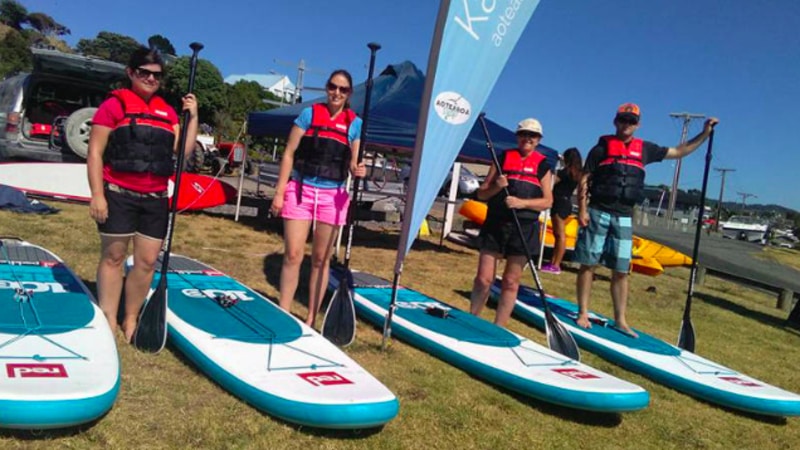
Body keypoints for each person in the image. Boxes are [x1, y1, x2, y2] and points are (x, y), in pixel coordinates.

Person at [574, 103, 718, 337]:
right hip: (599, 210)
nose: (626, 124)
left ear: (638, 124)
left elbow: (679, 151)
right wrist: (582, 210)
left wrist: (704, 134)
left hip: (624, 216)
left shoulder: (646, 150)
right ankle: (583, 312)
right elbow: (584, 179)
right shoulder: (600, 149)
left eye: (631, 121)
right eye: (622, 119)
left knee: (622, 269)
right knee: (588, 263)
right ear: (615, 121)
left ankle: (621, 320)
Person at [87, 47, 199, 342]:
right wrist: (97, 194)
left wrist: (194, 116)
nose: (151, 78)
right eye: (144, 73)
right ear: (131, 73)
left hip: (155, 198)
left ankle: (131, 316)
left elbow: (183, 150)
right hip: (118, 193)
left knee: (147, 262)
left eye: (156, 75)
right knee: (114, 256)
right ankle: (109, 315)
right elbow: (95, 153)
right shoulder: (113, 106)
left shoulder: (168, 111)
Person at [270, 69, 366, 328]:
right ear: (326, 88)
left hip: (332, 196)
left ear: (349, 94)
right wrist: (279, 192)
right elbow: (289, 153)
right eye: (333, 87)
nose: (337, 93)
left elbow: (354, 163)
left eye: (343, 90)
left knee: (321, 260)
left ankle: (312, 318)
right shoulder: (309, 114)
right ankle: (283, 311)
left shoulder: (354, 123)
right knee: (293, 254)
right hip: (300, 190)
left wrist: (359, 169)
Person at [470, 118, 553, 327]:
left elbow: (547, 201)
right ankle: (472, 319)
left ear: (538, 140)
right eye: (524, 134)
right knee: (483, 279)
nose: (527, 139)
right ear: (517, 136)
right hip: (496, 224)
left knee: (510, 281)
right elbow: (482, 194)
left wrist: (521, 203)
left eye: (532, 136)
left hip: (524, 228)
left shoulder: (543, 166)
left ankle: (499, 327)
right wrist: (497, 187)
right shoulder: (502, 158)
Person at [541, 147, 583, 275]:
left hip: (560, 203)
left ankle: (556, 264)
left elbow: (551, 182)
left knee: (559, 235)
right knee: (559, 235)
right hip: (566, 202)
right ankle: (554, 262)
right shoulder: (576, 173)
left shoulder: (565, 172)